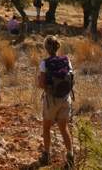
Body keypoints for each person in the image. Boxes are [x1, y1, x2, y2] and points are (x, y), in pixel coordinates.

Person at [38, 35, 74, 168]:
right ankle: (70, 156)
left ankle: (46, 154)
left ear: (46, 48)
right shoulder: (66, 60)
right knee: (64, 128)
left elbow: (42, 85)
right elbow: (72, 80)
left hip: (51, 99)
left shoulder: (45, 63)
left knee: (46, 126)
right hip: (66, 97)